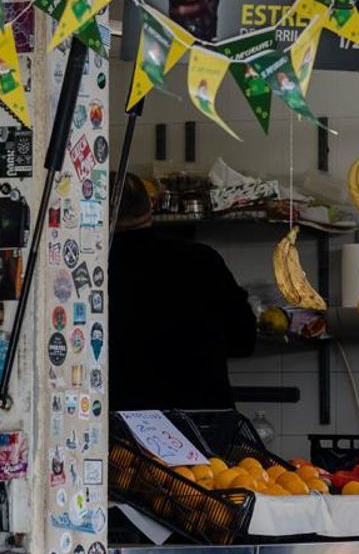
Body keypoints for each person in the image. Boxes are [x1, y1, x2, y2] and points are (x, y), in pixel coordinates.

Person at [108, 174, 254, 410]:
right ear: (151, 205)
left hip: (127, 420)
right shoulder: (203, 259)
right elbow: (244, 340)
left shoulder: (98, 269)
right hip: (203, 417)